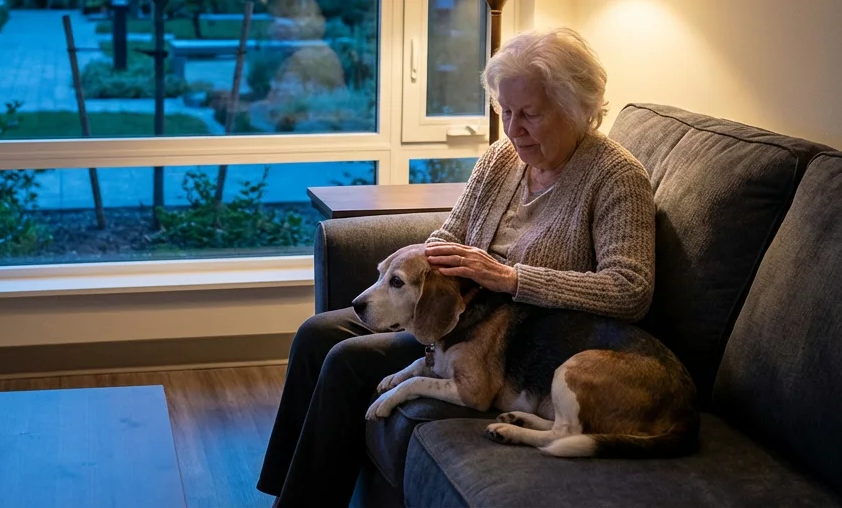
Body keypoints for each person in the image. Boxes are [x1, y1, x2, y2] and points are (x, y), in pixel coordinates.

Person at [257, 27, 657, 506]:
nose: (513, 128)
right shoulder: (501, 159)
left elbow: (630, 289)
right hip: (454, 311)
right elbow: (448, 236)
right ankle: (283, 492)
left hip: (503, 338)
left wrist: (510, 278)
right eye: (505, 111)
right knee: (316, 334)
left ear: (575, 106)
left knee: (346, 361)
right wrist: (425, 273)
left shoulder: (617, 178)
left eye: (529, 113)